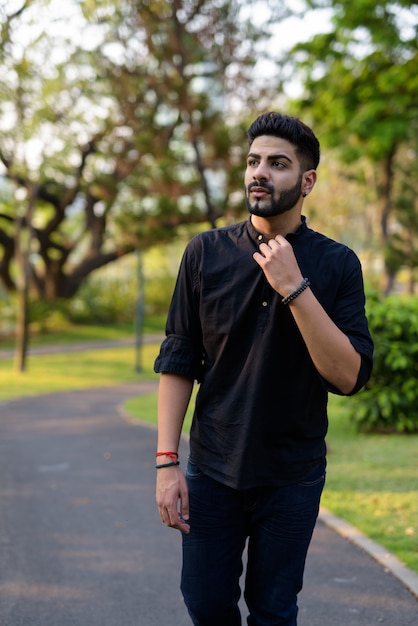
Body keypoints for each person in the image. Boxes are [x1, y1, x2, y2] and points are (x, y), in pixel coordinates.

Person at [154, 111, 373, 626]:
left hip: (291, 477)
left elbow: (348, 376)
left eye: (277, 164)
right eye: (254, 162)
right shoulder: (204, 253)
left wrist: (295, 287)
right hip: (211, 469)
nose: (260, 173)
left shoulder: (338, 265)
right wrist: (167, 462)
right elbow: (179, 358)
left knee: (274, 612)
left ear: (307, 180)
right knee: (206, 605)